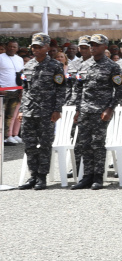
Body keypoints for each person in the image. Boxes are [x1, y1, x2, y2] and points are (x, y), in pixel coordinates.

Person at [70, 34, 122, 189]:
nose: (93, 47)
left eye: (96, 45)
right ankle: (87, 176)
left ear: (104, 47)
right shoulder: (84, 66)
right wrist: (78, 109)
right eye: (91, 45)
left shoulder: (112, 66)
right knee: (84, 143)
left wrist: (110, 108)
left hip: (101, 111)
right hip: (85, 110)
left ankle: (98, 177)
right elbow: (79, 88)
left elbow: (120, 89)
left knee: (97, 144)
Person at [15, 34, 68, 190]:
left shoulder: (55, 66)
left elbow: (61, 89)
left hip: (46, 112)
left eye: (39, 47)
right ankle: (33, 176)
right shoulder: (28, 66)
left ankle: (42, 177)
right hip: (29, 112)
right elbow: (25, 90)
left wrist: (57, 109)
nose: (36, 49)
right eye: (34, 47)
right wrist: (22, 109)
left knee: (44, 145)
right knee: (30, 145)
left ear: (47, 48)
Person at [2, 39, 25, 145]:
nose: (12, 48)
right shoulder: (1, 57)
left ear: (17, 48)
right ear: (6, 47)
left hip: (16, 90)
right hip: (3, 91)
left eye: (14, 47)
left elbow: (21, 75)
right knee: (1, 115)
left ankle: (8, 136)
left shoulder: (19, 59)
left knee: (10, 116)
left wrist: (21, 88)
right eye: (10, 46)